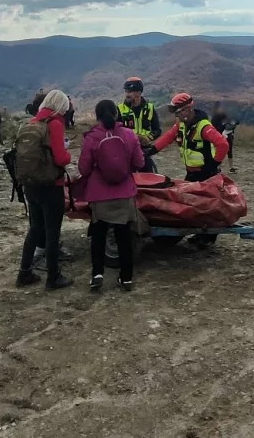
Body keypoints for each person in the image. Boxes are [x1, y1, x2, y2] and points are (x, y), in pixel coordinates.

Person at [79, 100, 146, 292]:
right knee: (123, 236)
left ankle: (97, 275)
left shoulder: (92, 137)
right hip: (124, 192)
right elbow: (140, 162)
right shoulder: (129, 134)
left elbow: (83, 169)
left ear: (97, 116)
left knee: (98, 236)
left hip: (99, 195)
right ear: (116, 114)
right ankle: (126, 279)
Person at [16, 90, 75, 291]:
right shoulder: (55, 124)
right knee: (52, 233)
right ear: (62, 106)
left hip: (30, 185)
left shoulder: (31, 123)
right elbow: (60, 158)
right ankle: (53, 277)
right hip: (51, 186)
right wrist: (68, 156)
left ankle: (24, 272)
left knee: (35, 228)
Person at [149, 93, 231, 182]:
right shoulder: (181, 124)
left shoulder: (203, 126)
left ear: (187, 109)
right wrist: (151, 151)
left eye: (178, 112)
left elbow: (223, 145)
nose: (176, 116)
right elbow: (167, 137)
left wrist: (212, 166)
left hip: (207, 175)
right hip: (191, 174)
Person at [119, 77, 161, 172]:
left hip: (145, 151)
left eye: (130, 92)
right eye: (126, 91)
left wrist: (148, 138)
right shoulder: (120, 109)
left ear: (138, 93)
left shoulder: (150, 108)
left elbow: (157, 130)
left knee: (149, 179)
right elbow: (116, 131)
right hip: (127, 152)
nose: (127, 95)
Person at [210, 101, 238, 173]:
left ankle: (230, 168)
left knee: (229, 151)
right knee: (220, 152)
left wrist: (233, 123)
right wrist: (225, 125)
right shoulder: (215, 118)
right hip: (219, 137)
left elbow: (230, 121)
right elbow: (216, 128)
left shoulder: (223, 115)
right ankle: (218, 167)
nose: (222, 109)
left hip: (227, 136)